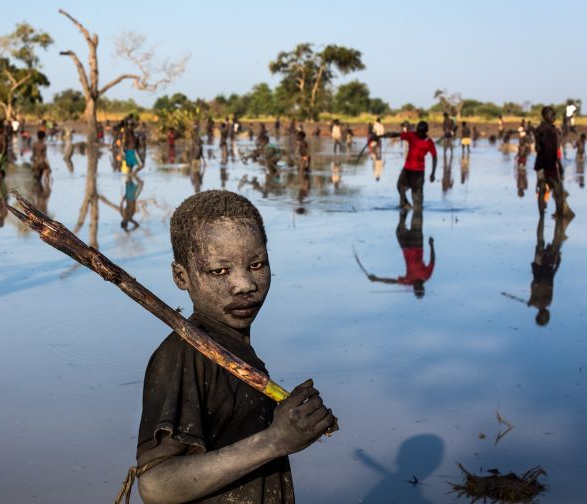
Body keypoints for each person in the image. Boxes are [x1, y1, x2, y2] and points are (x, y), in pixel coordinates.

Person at [131, 190, 337, 504]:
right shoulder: (185, 355)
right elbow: (156, 485)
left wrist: (295, 422)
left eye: (256, 265)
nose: (244, 285)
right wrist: (275, 440)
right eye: (219, 271)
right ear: (181, 276)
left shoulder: (236, 352)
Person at [365, 208, 435, 298]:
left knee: (398, 231)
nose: (416, 286)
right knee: (417, 216)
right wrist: (431, 245)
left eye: (415, 289)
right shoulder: (426, 275)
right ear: (423, 287)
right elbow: (432, 260)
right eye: (418, 288)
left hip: (405, 246)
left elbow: (392, 281)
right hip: (417, 243)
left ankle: (403, 214)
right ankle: (411, 210)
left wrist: (377, 279)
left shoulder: (409, 281)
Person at [380, 121, 437, 210]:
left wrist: (433, 173)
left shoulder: (429, 142)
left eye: (421, 132)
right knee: (400, 186)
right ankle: (405, 205)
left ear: (425, 132)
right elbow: (397, 134)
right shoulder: (412, 135)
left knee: (417, 199)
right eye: (418, 131)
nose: (419, 134)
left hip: (419, 173)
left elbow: (434, 157)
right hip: (407, 170)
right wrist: (381, 136)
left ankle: (417, 215)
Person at [528, 213, 567, 326]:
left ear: (544, 315)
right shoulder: (536, 302)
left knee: (547, 242)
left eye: (546, 317)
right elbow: (535, 284)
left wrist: (557, 263)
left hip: (546, 267)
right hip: (540, 267)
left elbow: (538, 283)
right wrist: (531, 300)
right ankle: (554, 221)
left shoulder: (545, 301)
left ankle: (553, 221)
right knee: (541, 242)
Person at [533, 106, 573, 218]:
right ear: (545, 116)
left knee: (542, 189)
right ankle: (559, 215)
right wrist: (558, 164)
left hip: (541, 162)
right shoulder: (552, 130)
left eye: (554, 115)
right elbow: (555, 149)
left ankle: (541, 215)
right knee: (557, 189)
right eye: (552, 115)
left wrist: (542, 153)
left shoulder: (539, 129)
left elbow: (537, 147)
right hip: (549, 163)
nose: (554, 117)